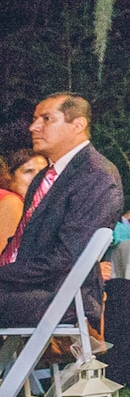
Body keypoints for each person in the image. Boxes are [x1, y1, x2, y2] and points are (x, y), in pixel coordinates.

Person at [0, 95, 122, 327]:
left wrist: (4, 274)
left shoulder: (95, 176)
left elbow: (66, 257)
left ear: (77, 125)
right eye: (35, 119)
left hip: (62, 296)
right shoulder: (44, 178)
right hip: (28, 289)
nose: (33, 127)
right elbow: (24, 244)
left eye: (46, 119)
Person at [0, 148, 45, 259]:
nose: (37, 178)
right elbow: (7, 261)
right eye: (28, 171)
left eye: (43, 172)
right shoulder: (11, 202)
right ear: (10, 176)